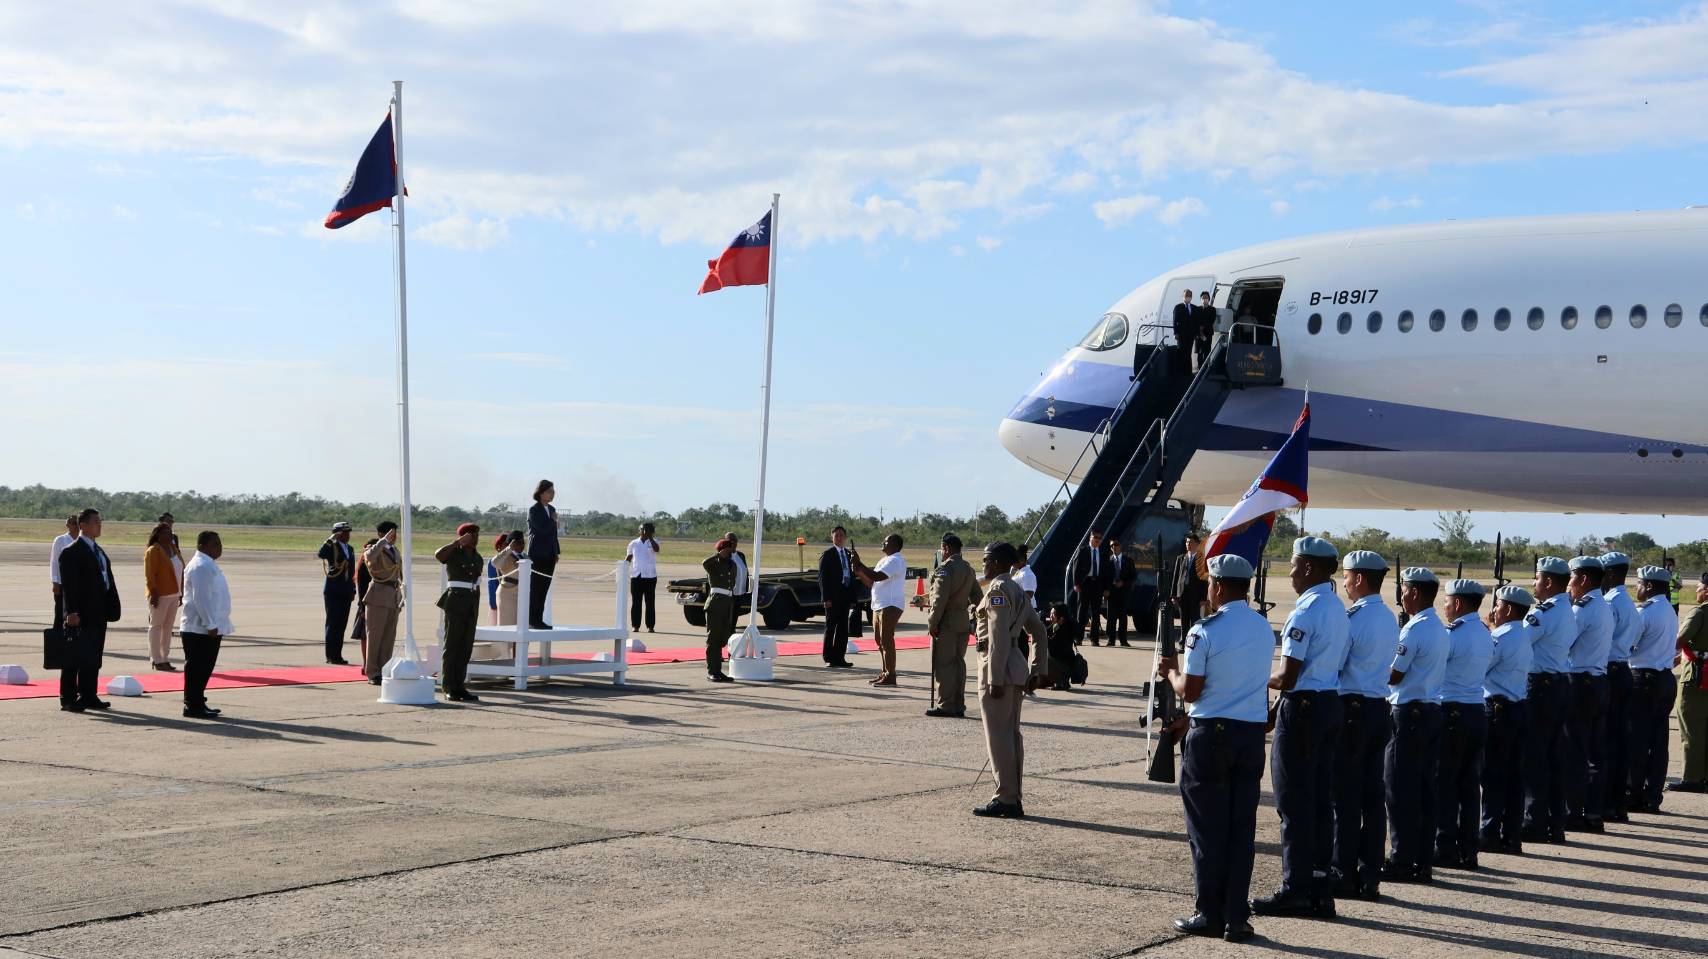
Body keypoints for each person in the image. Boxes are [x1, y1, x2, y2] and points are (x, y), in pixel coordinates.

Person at [1158, 554, 1271, 944]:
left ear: (1219, 586)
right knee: (1241, 830)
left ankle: (1208, 911)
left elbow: (1191, 691)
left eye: (1209, 583)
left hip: (1211, 737)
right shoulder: (1263, 628)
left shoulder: (1203, 631)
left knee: (1207, 830)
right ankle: (1236, 916)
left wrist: (1170, 672)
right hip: (1250, 737)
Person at [1252, 537, 1347, 919]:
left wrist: (1256, 679)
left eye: (1292, 566)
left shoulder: (1305, 612)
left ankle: (1295, 888)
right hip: (1328, 705)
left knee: (1293, 803)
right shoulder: (1337, 608)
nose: (1290, 574)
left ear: (1308, 567)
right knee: (1321, 801)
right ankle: (1320, 887)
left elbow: (1288, 677)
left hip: (1304, 711)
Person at [1332, 550, 1396, 902]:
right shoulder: (1388, 617)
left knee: (1345, 795)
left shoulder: (1353, 619)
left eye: (1346, 576)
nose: (1343, 583)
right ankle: (1370, 873)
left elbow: (1337, 664)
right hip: (1378, 708)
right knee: (1372, 798)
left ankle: (1343, 871)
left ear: (1358, 578)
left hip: (1352, 709)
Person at [970, 541, 1048, 819]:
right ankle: (1013, 796)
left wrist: (994, 677)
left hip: (998, 667)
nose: (984, 564)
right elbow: (1039, 631)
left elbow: (998, 636)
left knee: (999, 736)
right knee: (1011, 735)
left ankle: (1005, 797)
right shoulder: (1017, 589)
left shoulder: (998, 590)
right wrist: (1037, 669)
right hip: (1015, 666)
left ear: (999, 563)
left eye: (987, 560)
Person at [1382, 567, 1449, 884]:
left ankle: (1401, 858)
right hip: (1431, 710)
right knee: (1424, 791)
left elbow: (1394, 675)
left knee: (1399, 790)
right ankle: (1422, 860)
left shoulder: (1413, 630)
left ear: (1416, 593)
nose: (1402, 596)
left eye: (1405, 590)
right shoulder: (1438, 628)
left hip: (1408, 713)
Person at [1434, 579, 1493, 871]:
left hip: (1452, 712)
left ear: (1457, 603)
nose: (1444, 607)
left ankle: (1445, 846)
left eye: (1446, 602)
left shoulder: (1452, 635)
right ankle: (1469, 849)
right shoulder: (1484, 633)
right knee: (1469, 786)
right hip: (1476, 711)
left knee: (1445, 783)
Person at [1522, 556, 1574, 844]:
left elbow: (1520, 641)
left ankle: (1534, 821)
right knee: (1554, 756)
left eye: (1538, 577)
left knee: (1535, 756)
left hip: (1540, 686)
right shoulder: (1567, 608)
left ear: (1549, 581)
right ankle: (1555, 821)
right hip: (1559, 683)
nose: (1534, 583)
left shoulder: (1545, 612)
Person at [1480, 585, 1533, 855]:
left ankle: (1489, 832)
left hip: (1498, 709)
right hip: (1517, 708)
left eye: (1498, 605)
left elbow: (1480, 667)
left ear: (1509, 609)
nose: (1493, 610)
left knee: (1493, 775)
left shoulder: (1499, 637)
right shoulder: (1522, 634)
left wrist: (1488, 632)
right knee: (1513, 776)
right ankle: (1511, 835)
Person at [1562, 555, 1612, 833]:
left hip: (1580, 682)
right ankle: (1593, 812)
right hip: (1598, 681)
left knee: (1575, 750)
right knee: (1595, 752)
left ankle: (1573, 812)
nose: (1569, 583)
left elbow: (1564, 643)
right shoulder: (1602, 605)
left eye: (1572, 577)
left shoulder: (1582, 609)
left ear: (1582, 579)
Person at [57, 508, 119, 713]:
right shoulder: (71, 552)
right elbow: (69, 586)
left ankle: (89, 695)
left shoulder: (98, 551)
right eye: (95, 522)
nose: (99, 525)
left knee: (93, 656)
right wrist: (71, 612)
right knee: (74, 657)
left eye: (100, 522)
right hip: (80, 614)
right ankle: (68, 698)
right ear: (82, 525)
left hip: (98, 612)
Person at [1628, 566, 1680, 809]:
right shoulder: (1668, 609)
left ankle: (1634, 794)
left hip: (1644, 679)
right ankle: (1653, 796)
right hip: (1665, 679)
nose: (1636, 587)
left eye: (1639, 583)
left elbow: (1628, 645)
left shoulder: (1644, 612)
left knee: (1638, 740)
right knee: (1659, 742)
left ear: (1649, 586)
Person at [1598, 551, 1638, 822]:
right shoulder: (1628, 602)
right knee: (1619, 741)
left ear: (1610, 574)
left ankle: (1606, 803)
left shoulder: (1610, 603)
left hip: (1610, 670)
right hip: (1622, 668)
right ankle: (1616, 803)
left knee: (1605, 741)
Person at [179, 531, 233, 719]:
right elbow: (201, 598)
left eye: (220, 543)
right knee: (197, 668)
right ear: (202, 546)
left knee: (204, 668)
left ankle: (198, 702)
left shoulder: (208, 564)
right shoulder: (200, 566)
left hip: (208, 627)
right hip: (199, 628)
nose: (220, 547)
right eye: (215, 544)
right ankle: (192, 705)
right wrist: (210, 623)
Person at [926, 533, 981, 717]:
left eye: (942, 549)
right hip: (962, 622)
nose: (941, 552)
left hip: (947, 622)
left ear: (947, 548)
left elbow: (939, 600)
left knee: (944, 665)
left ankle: (946, 705)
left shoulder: (945, 569)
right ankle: (958, 704)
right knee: (958, 663)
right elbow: (978, 597)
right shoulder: (968, 569)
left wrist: (933, 622)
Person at [1668, 573, 1708, 794]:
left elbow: (1679, 641)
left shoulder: (1699, 612)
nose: (1696, 591)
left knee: (1691, 728)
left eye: (1699, 587)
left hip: (1696, 676)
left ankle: (1692, 778)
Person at [435, 523, 483, 702]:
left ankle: (459, 685)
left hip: (471, 604)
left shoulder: (477, 557)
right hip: (456, 602)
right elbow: (439, 555)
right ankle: (449, 686)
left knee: (465, 647)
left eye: (477, 535)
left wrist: (475, 605)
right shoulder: (454, 553)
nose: (476, 538)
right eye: (472, 535)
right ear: (464, 537)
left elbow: (476, 583)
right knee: (452, 645)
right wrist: (457, 543)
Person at [855, 534, 907, 686]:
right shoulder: (884, 560)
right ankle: (885, 672)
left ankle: (891, 676)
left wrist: (860, 564)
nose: (883, 542)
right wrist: (859, 571)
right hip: (879, 605)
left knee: (886, 640)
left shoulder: (895, 560)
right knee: (880, 641)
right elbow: (872, 582)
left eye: (887, 541)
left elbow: (878, 576)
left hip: (890, 605)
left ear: (895, 545)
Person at [361, 521, 404, 686]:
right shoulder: (374, 549)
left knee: (388, 638)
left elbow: (399, 573)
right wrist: (383, 541)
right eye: (390, 533)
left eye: (395, 534)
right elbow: (369, 557)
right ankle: (373, 672)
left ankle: (384, 669)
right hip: (378, 595)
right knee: (375, 637)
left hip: (393, 595)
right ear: (381, 534)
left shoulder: (394, 551)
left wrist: (401, 596)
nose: (394, 537)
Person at [142, 521, 183, 671]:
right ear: (157, 535)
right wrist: (153, 593)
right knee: (156, 626)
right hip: (160, 594)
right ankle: (156, 659)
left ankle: (165, 657)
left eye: (170, 532)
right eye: (165, 532)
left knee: (168, 627)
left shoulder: (174, 549)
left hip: (174, 593)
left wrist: (181, 592)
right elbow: (150, 575)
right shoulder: (153, 550)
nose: (169, 534)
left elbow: (181, 571)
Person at [817, 526, 857, 668]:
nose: (839, 538)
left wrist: (852, 598)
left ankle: (840, 657)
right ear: (832, 537)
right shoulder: (828, 554)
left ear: (845, 537)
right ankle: (829, 657)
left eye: (841, 535)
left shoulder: (849, 554)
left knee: (843, 629)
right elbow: (822, 578)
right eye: (837, 535)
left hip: (845, 597)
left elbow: (852, 576)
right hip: (832, 598)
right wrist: (826, 598)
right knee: (831, 628)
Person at [318, 521, 356, 665]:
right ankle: (331, 656)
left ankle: (338, 655)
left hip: (346, 591)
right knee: (333, 623)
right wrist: (330, 539)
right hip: (333, 590)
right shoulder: (331, 546)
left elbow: (351, 572)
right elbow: (321, 554)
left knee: (341, 624)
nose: (347, 535)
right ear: (337, 534)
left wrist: (352, 589)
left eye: (348, 532)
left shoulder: (350, 549)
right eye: (344, 533)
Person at [702, 537, 739, 683]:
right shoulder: (714, 564)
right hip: (716, 603)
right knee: (713, 639)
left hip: (727, 604)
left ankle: (718, 671)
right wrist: (718, 555)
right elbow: (704, 563)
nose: (731, 552)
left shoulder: (732, 564)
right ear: (722, 550)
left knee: (723, 638)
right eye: (728, 549)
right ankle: (712, 671)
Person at [527, 479, 560, 629]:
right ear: (541, 493)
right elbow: (542, 529)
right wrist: (553, 521)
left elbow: (553, 534)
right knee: (536, 588)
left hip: (549, 554)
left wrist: (556, 551)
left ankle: (538, 619)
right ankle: (532, 620)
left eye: (553, 491)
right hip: (538, 554)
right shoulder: (534, 510)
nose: (552, 494)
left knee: (544, 588)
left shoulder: (551, 509)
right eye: (549, 491)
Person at [1071, 529, 1111, 645]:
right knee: (1082, 612)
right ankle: (1078, 638)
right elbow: (1076, 567)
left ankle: (1094, 639)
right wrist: (1076, 583)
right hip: (1085, 583)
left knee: (1096, 612)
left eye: (1100, 538)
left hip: (1098, 583)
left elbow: (1106, 571)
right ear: (1090, 538)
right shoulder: (1083, 550)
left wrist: (1106, 588)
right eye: (1095, 537)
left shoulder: (1103, 552)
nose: (1098, 540)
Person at [626, 522, 662, 633]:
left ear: (652, 532)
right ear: (639, 531)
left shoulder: (655, 542)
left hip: (650, 576)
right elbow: (629, 557)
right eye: (643, 529)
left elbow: (656, 550)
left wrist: (650, 538)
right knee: (636, 602)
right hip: (636, 576)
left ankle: (650, 626)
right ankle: (635, 625)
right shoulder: (633, 543)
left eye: (648, 530)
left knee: (650, 602)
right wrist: (623, 566)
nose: (645, 531)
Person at [48, 515, 78, 632]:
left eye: (77, 523)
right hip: (62, 583)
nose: (76, 526)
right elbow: (54, 562)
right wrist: (55, 582)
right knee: (60, 612)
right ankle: (57, 636)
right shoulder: (60, 540)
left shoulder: (83, 540)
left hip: (78, 584)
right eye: (73, 523)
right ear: (67, 525)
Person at [1174, 534, 1209, 633]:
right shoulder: (1181, 558)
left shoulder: (1202, 560)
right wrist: (1174, 595)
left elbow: (1204, 580)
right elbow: (1176, 577)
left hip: (1196, 597)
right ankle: (1183, 641)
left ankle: (1193, 641)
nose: (1188, 544)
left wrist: (1203, 598)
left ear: (1197, 544)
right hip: (1182, 595)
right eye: (1187, 542)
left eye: (1191, 542)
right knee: (1183, 620)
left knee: (1195, 621)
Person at [353, 535, 379, 661]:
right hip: (367, 604)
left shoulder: (376, 565)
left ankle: (369, 662)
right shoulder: (365, 565)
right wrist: (363, 609)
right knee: (365, 635)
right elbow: (362, 589)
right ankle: (366, 663)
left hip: (375, 604)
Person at [1045, 603, 1081, 691]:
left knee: (1047, 658)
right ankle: (1059, 681)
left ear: (1061, 617)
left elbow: (1053, 647)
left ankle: (1061, 682)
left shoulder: (1064, 629)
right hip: (1064, 662)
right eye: (1050, 613)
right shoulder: (1057, 625)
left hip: (1064, 664)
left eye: (1053, 614)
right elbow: (1046, 631)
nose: (1051, 616)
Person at [1106, 537, 1135, 647]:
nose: (1114, 547)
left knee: (1123, 617)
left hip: (1124, 592)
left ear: (1120, 546)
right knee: (1111, 617)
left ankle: (1123, 640)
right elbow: (1104, 577)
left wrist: (1123, 582)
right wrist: (1106, 590)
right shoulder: (1108, 561)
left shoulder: (1128, 560)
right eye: (1112, 545)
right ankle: (1111, 640)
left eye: (1116, 544)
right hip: (1112, 592)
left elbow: (1133, 577)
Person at [491, 531, 524, 626]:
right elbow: (494, 563)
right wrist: (509, 549)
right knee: (507, 624)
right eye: (518, 543)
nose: (521, 545)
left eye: (523, 543)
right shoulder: (505, 556)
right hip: (507, 593)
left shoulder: (524, 556)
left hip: (522, 593)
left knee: (521, 625)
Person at [1170, 288, 1195, 375]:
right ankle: (1180, 372)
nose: (1187, 297)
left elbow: (1195, 321)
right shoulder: (1178, 307)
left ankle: (1188, 372)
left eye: (1189, 296)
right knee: (1181, 352)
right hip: (1181, 335)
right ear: (1183, 296)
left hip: (1190, 335)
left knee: (1188, 353)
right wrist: (1175, 333)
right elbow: (1174, 321)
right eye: (1186, 295)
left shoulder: (1193, 308)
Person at [1195, 290, 1217, 369]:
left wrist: (1203, 326)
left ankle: (1206, 368)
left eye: (1206, 298)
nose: (1204, 299)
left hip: (1208, 333)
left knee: (1207, 351)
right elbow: (1196, 320)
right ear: (1200, 299)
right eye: (1203, 298)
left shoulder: (1212, 309)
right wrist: (1200, 330)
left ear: (1209, 299)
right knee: (1200, 352)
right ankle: (1199, 369)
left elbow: (1211, 320)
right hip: (1198, 334)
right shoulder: (1197, 309)